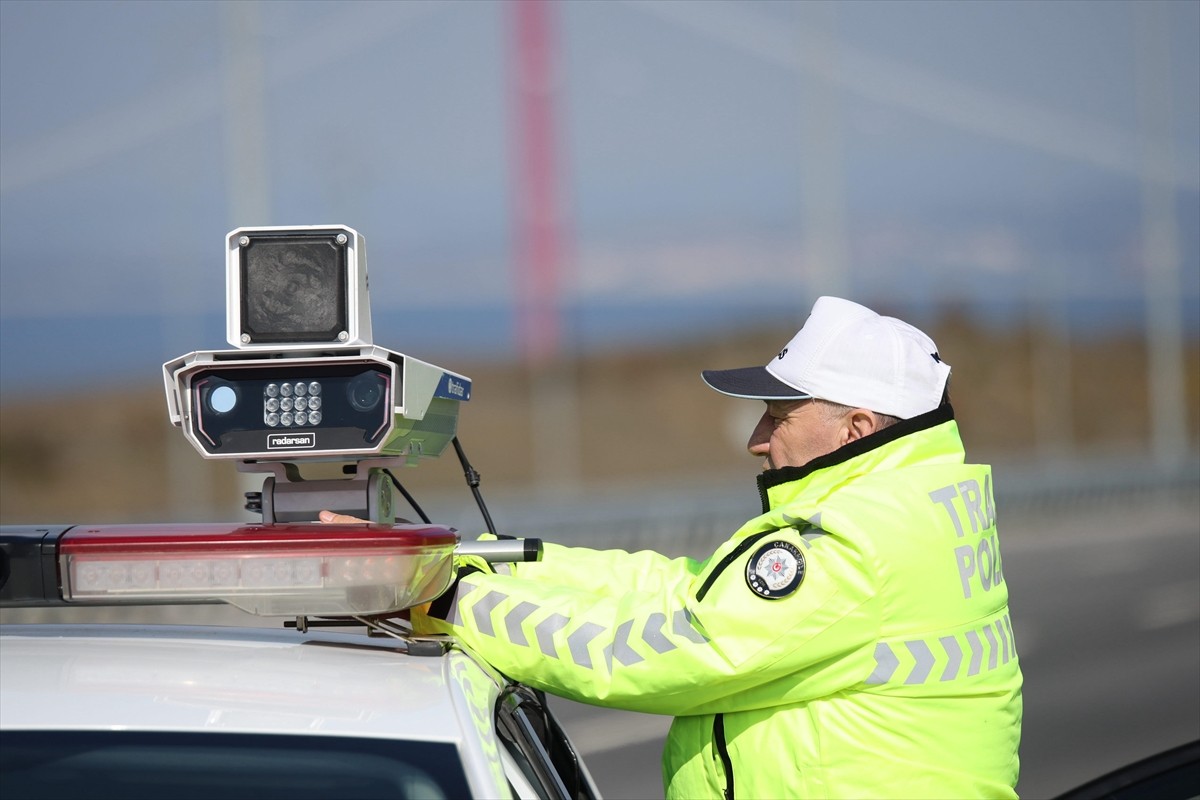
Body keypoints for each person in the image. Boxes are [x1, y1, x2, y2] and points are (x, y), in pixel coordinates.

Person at [323, 296, 1023, 799]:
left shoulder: (849, 546)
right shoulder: (910, 509)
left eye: (779, 417)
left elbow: (658, 652)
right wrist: (484, 560)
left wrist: (447, 600)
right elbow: (679, 591)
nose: (756, 438)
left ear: (855, 428)